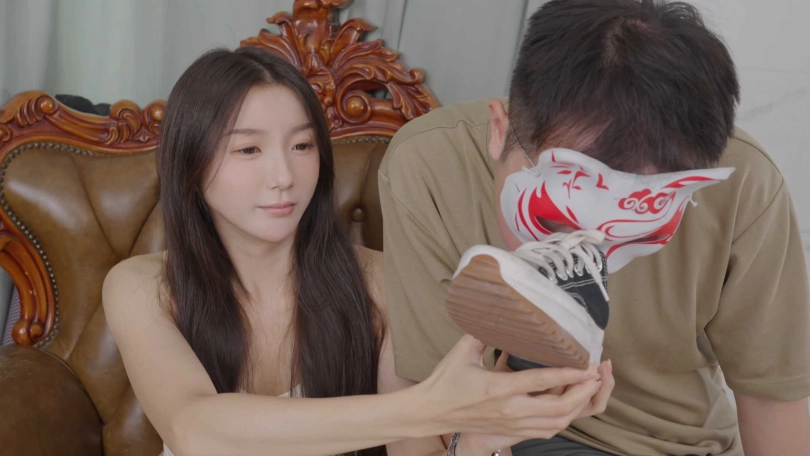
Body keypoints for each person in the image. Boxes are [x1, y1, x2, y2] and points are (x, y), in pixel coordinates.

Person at [102, 47, 614, 456]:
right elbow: (195, 430)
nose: (283, 176)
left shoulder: (379, 282)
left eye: (302, 146)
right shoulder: (141, 287)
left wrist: (483, 431)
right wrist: (435, 406)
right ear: (190, 164)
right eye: (249, 149)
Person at [379, 1, 810, 455]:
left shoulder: (744, 182)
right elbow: (429, 409)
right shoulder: (429, 164)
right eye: (560, 220)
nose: (591, 250)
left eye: (633, 228)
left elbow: (772, 397)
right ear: (500, 131)